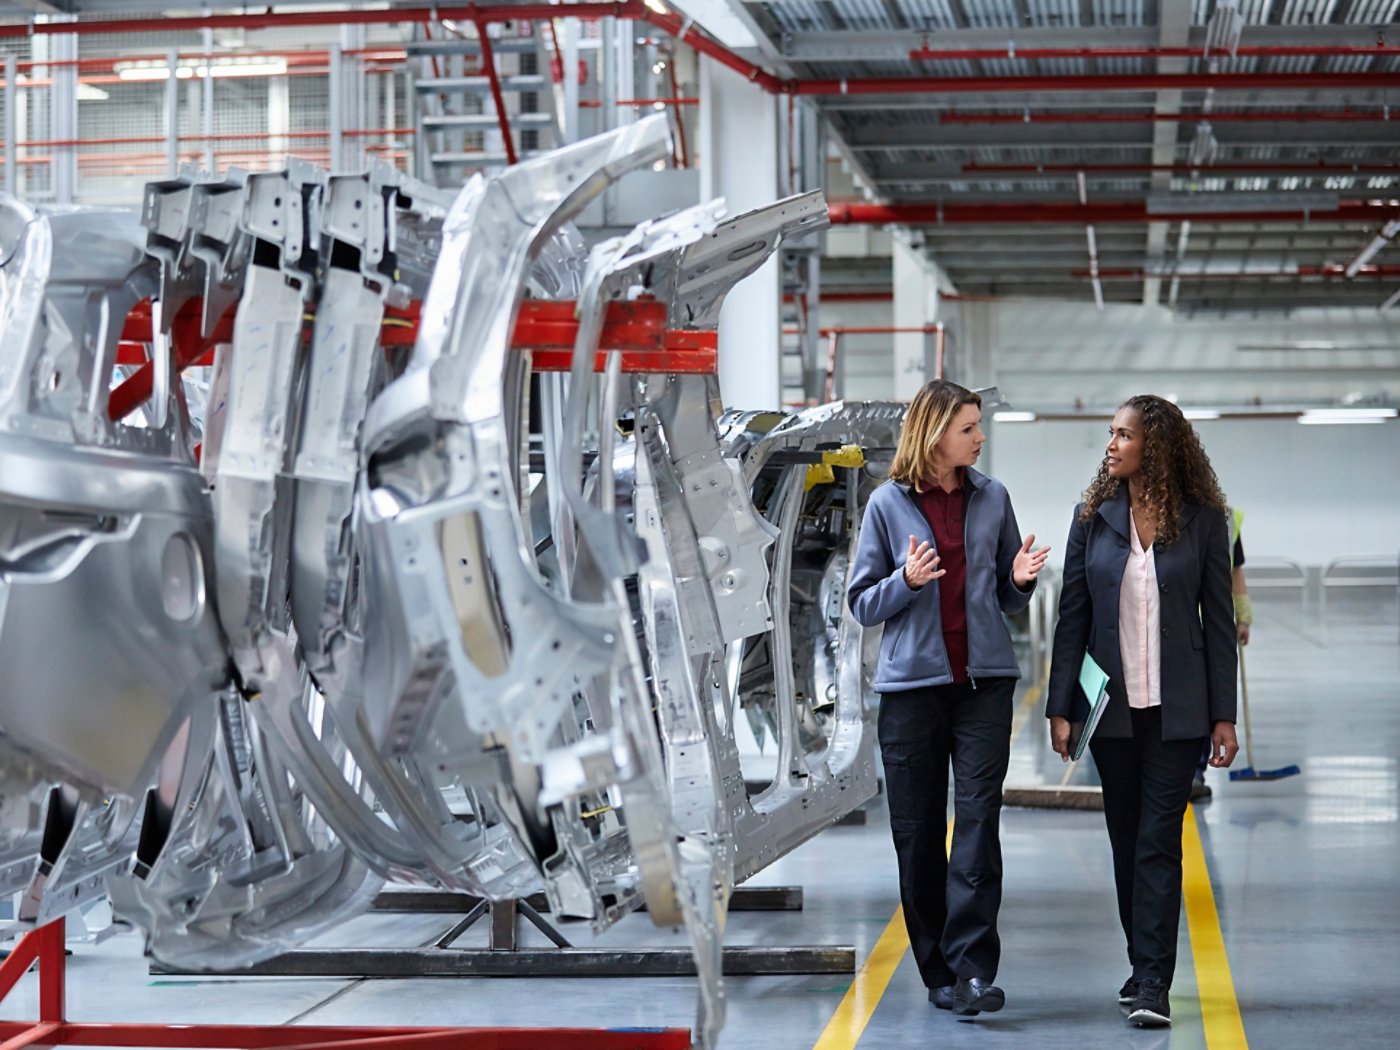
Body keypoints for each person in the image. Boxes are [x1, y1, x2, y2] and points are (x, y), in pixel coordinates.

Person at [847, 379, 1049, 1018]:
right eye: (969, 428)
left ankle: (973, 971)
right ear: (935, 435)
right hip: (912, 691)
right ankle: (936, 970)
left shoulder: (994, 498)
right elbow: (860, 603)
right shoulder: (886, 505)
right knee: (918, 832)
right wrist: (904, 582)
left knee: (979, 824)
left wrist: (1018, 582)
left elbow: (1007, 598)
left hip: (984, 685)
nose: (980, 437)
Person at [1045, 394, 1240, 1028]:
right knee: (1126, 843)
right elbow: (1072, 616)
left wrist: (1224, 716)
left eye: (1123, 434)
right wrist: (1060, 708)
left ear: (1153, 445)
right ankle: (1141, 964)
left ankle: (1154, 981)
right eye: (1111, 434)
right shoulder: (1091, 519)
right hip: (1112, 713)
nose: (1111, 444)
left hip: (1179, 711)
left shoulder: (1206, 521)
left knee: (1159, 843)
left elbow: (1216, 624)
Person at [1191, 507, 1251, 800]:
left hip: (1214, 621)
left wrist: (1243, 616)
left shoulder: (1228, 519)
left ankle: (1196, 770)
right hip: (1185, 621)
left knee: (1207, 698)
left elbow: (1235, 571)